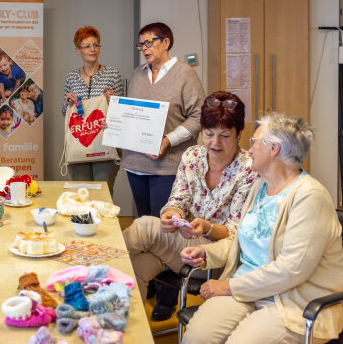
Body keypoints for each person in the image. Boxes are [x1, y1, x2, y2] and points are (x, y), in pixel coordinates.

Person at [181, 113, 343, 344]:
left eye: (254, 143)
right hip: (245, 288)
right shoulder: (260, 185)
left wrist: (228, 286)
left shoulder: (310, 196)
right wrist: (207, 253)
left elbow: (291, 270)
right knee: (196, 338)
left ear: (274, 149)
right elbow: (242, 240)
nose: (249, 150)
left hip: (290, 300)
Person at [122, 92, 258, 321]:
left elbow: (237, 231)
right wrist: (170, 214)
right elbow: (178, 199)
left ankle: (87, 271)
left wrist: (205, 228)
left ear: (239, 134)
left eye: (224, 136)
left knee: (144, 226)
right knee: (136, 267)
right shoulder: (192, 156)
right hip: (181, 249)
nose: (215, 143)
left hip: (216, 257)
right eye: (209, 134)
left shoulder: (248, 169)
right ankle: (125, 333)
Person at [122, 22, 204, 216]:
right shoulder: (138, 73)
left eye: (149, 43)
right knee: (144, 225)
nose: (144, 48)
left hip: (168, 167)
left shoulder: (185, 73)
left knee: (164, 228)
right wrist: (117, 124)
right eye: (141, 44)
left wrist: (167, 141)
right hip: (135, 164)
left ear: (166, 42)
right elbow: (133, 114)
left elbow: (199, 116)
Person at [62, 26, 124, 195]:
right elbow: (65, 113)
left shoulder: (113, 75)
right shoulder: (71, 77)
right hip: (79, 143)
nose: (92, 49)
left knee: (103, 194)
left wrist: (114, 101)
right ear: (78, 50)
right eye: (87, 46)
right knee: (82, 195)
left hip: (105, 143)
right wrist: (67, 102)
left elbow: (122, 114)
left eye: (96, 45)